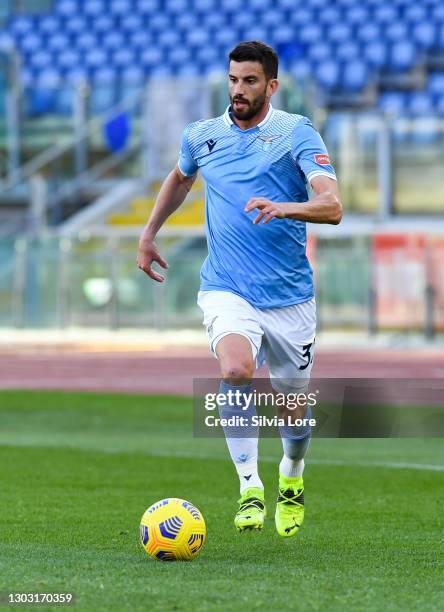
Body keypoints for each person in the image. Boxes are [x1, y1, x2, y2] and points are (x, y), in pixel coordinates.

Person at [138, 41, 342, 537]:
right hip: (227, 287)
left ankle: (290, 477)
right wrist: (148, 233)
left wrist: (285, 206)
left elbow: (332, 206)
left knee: (294, 413)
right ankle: (249, 486)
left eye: (249, 81)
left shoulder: (296, 132)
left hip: (291, 298)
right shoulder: (202, 135)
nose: (238, 90)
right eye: (233, 80)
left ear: (271, 85)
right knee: (234, 370)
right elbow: (180, 179)